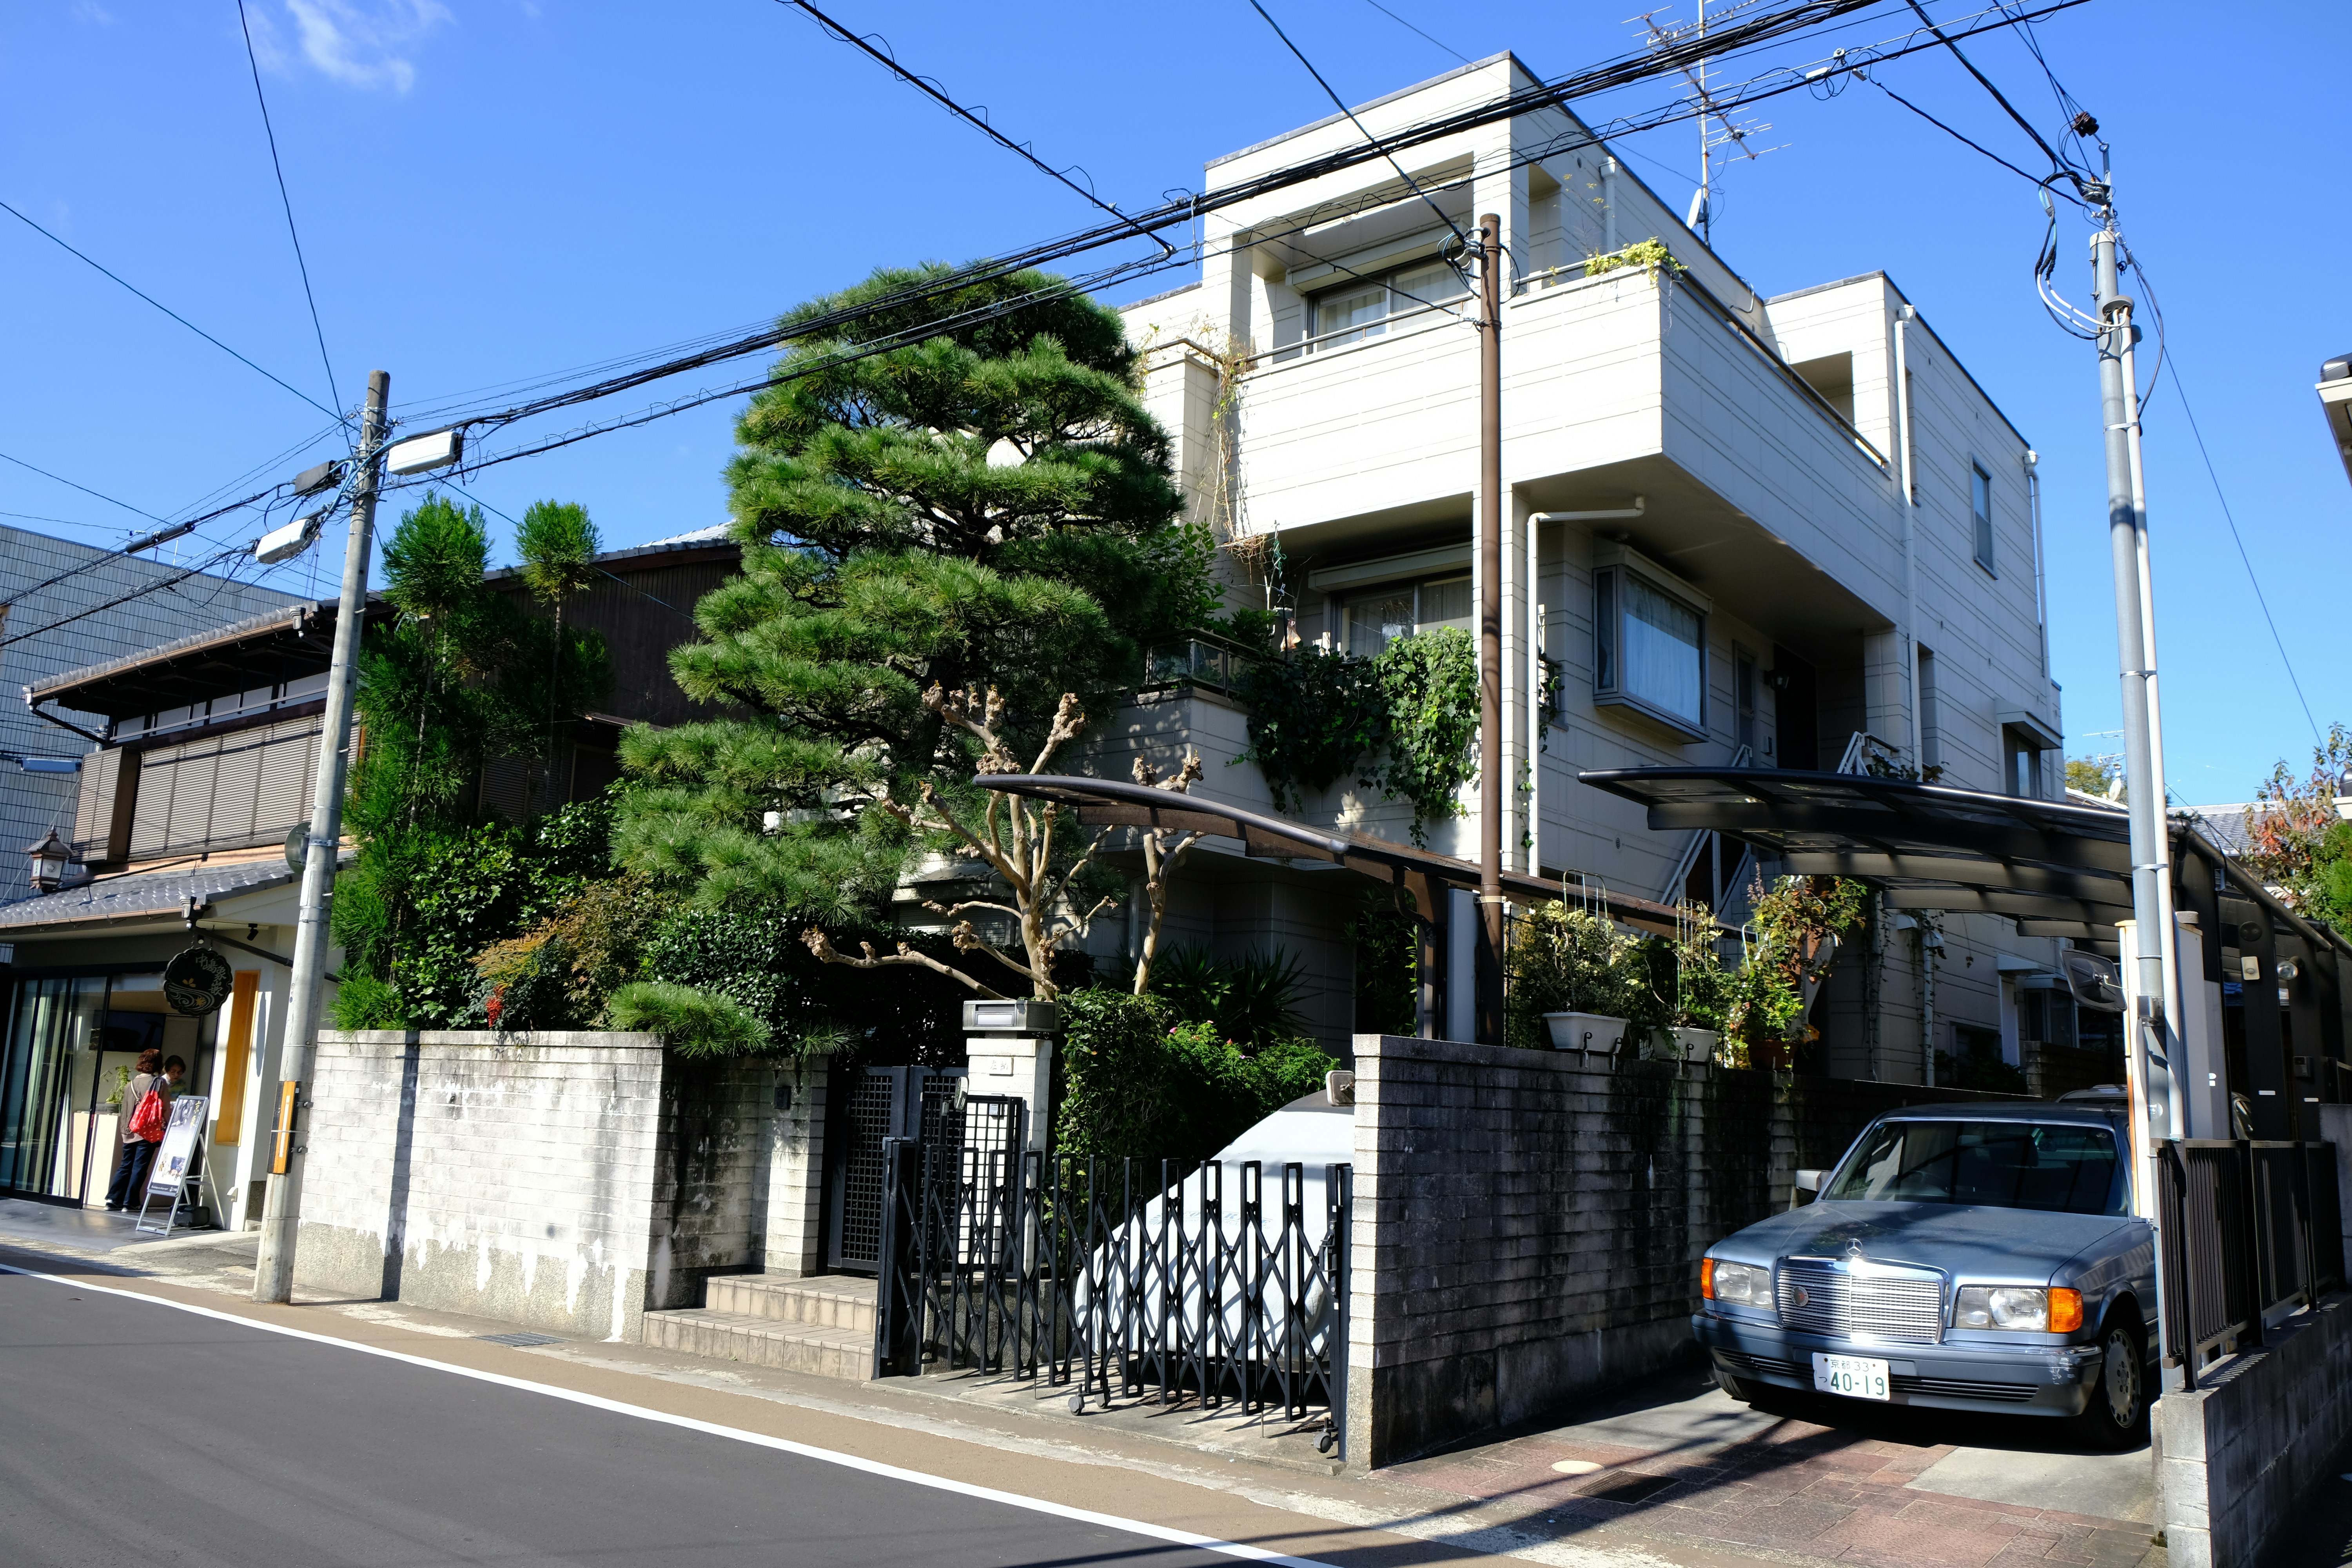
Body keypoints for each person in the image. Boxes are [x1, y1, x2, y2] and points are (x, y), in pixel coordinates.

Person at [103, 1050, 178, 1211]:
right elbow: (165, 1108)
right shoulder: (159, 1083)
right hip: (147, 1131)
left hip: (129, 1130)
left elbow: (125, 1110)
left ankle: (113, 1200)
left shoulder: (130, 1084)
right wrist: (168, 1125)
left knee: (125, 1165)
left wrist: (125, 1130)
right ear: (158, 1064)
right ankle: (130, 1202)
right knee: (140, 1167)